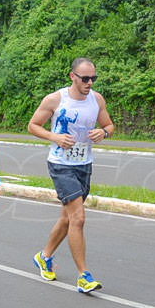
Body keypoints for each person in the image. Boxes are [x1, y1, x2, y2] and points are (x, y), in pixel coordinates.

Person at [27, 57, 115, 294]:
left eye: (93, 78)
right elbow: (33, 125)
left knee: (67, 218)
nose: (89, 83)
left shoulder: (97, 99)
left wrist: (103, 133)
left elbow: (109, 125)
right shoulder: (56, 99)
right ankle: (83, 276)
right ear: (72, 76)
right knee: (78, 218)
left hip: (84, 164)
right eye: (85, 78)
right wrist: (54, 137)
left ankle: (44, 257)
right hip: (60, 164)